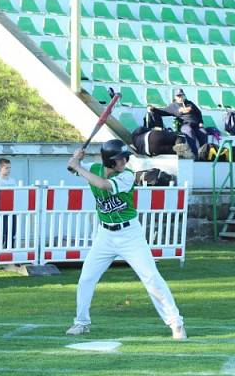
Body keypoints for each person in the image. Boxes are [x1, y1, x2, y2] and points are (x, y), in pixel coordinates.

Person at [65, 141, 186, 340]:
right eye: (120, 159)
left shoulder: (127, 175)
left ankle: (176, 323)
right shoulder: (93, 168)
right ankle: (81, 322)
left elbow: (103, 184)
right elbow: (72, 169)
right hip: (104, 235)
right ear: (109, 161)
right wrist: (75, 160)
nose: (124, 161)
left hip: (130, 234)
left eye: (124, 158)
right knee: (86, 278)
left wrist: (78, 166)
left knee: (151, 278)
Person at [146, 89, 207, 159]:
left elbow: (198, 113)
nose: (180, 97)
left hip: (196, 125)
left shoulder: (190, 103)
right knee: (189, 131)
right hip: (185, 125)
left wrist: (201, 122)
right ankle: (195, 154)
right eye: (178, 96)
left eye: (182, 95)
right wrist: (152, 109)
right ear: (175, 97)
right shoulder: (173, 106)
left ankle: (203, 154)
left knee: (204, 132)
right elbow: (162, 112)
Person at [0, 158, 17, 248]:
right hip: (2, 211)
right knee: (2, 231)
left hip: (13, 210)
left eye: (9, 168)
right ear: (0, 168)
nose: (9, 170)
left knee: (12, 231)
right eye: (6, 168)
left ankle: (10, 249)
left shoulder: (13, 181)